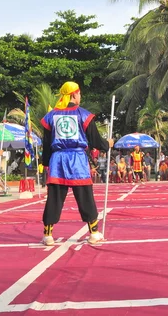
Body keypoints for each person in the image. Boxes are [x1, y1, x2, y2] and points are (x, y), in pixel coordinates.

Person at [40, 82, 113, 245]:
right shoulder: (83, 114)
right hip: (77, 160)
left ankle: (48, 235)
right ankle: (94, 233)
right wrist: (107, 144)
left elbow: (46, 143)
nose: (80, 97)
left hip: (58, 160)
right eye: (79, 94)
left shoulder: (51, 116)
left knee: (54, 198)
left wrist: (45, 162)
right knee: (85, 195)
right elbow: (94, 140)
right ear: (74, 94)